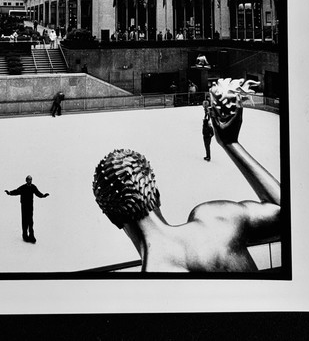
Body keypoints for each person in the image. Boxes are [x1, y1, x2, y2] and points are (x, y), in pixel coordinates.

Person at [92, 78, 280, 272]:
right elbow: (282, 210)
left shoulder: (154, 279)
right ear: (156, 195)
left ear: (113, 220)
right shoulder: (217, 219)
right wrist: (230, 143)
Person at [5, 175, 49, 243]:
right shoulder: (23, 187)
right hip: (24, 206)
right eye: (28, 180)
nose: (29, 181)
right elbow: (16, 191)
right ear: (26, 180)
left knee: (30, 221)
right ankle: (25, 236)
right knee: (24, 221)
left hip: (30, 206)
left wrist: (43, 195)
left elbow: (37, 193)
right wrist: (10, 193)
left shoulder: (33, 187)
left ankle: (31, 236)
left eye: (30, 180)